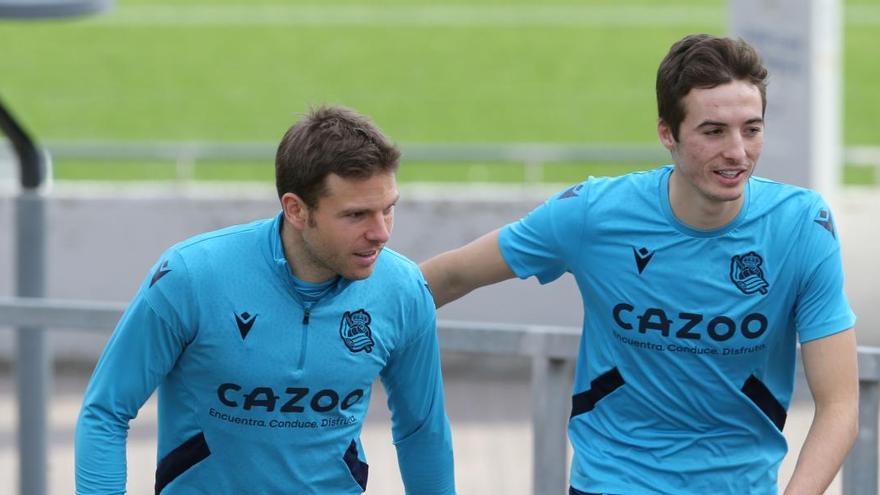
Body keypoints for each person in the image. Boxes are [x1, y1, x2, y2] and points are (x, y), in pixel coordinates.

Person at [420, 34, 857, 495]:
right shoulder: (594, 212)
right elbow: (450, 275)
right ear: (667, 132)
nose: (737, 151)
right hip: (613, 482)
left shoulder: (803, 225)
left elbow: (841, 406)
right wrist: (347, 313)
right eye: (713, 132)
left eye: (751, 129)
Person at [75, 105, 456, 494]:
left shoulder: (404, 289)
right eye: (356, 215)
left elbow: (422, 430)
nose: (381, 233)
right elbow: (106, 412)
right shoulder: (190, 276)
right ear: (296, 210)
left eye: (388, 209)